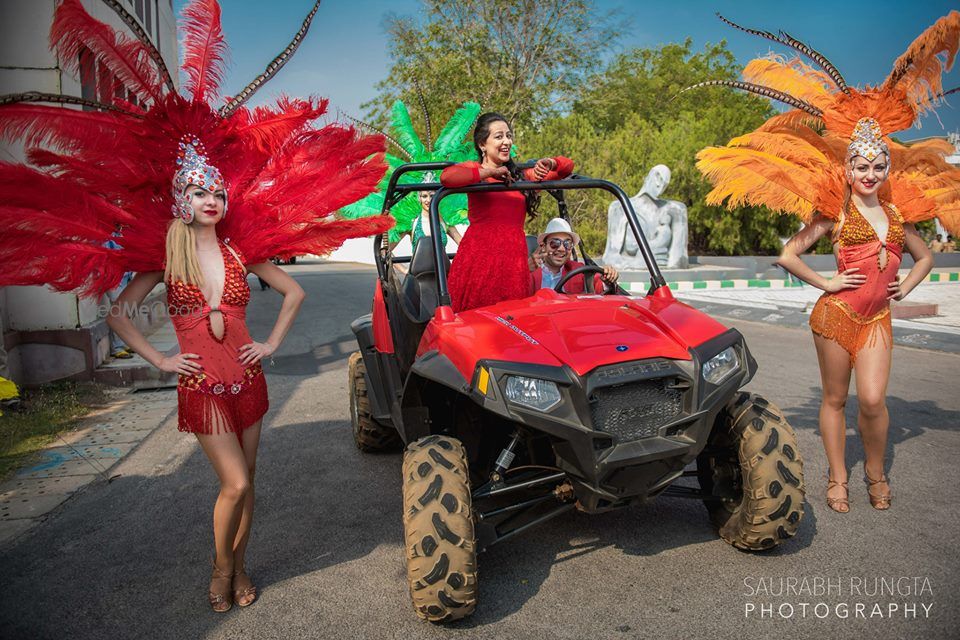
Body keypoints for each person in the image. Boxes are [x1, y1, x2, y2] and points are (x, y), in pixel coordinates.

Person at [0, 0, 393, 612]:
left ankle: (241, 571)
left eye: (217, 190)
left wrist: (271, 343)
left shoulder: (242, 251)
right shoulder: (165, 255)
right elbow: (118, 314)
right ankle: (219, 569)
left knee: (251, 484)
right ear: (182, 198)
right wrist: (160, 361)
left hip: (249, 377)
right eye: (200, 191)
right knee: (232, 482)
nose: (211, 198)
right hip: (203, 384)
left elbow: (295, 292)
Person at [691, 13, 958, 514]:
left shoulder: (901, 211)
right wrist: (827, 281)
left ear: (885, 167)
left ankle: (875, 473)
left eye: (878, 166)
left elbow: (923, 257)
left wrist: (908, 284)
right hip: (835, 317)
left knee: (874, 401)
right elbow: (788, 254)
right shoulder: (833, 208)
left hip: (877, 317)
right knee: (836, 400)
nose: (870, 173)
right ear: (848, 166)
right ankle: (839, 477)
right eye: (861, 165)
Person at [441, 113, 574, 311]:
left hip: (513, 263)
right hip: (480, 261)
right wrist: (490, 172)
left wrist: (550, 163)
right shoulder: (476, 171)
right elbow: (448, 177)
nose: (506, 142)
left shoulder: (521, 176)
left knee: (512, 322)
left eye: (509, 136)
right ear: (482, 145)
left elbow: (567, 167)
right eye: (499, 136)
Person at [531, 218, 619, 293]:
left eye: (567, 244)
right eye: (555, 243)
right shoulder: (530, 272)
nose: (562, 249)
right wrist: (525, 270)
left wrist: (608, 278)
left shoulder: (578, 270)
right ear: (543, 246)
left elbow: (596, 284)